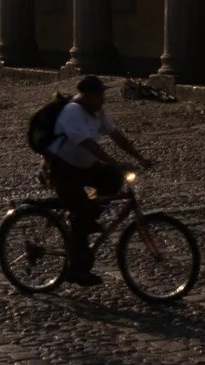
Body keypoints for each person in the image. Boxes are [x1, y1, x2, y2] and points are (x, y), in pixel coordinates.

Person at [44, 74, 152, 285]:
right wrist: (113, 161)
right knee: (80, 215)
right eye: (98, 95)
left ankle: (89, 215)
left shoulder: (97, 111)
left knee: (112, 179)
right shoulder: (72, 112)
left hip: (83, 166)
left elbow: (116, 135)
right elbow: (88, 144)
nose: (102, 98)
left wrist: (140, 157)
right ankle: (76, 269)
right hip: (62, 168)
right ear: (86, 96)